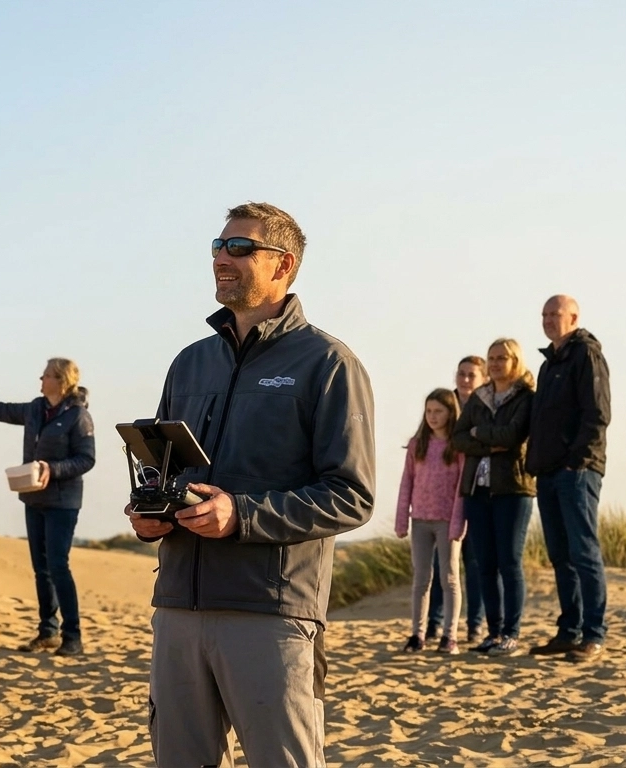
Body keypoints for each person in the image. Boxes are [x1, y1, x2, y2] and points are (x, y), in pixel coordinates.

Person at [127, 202, 375, 767]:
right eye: (218, 246)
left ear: (283, 264)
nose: (222, 257)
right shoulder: (188, 363)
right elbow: (163, 472)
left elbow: (351, 494)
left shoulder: (328, 363)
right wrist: (149, 513)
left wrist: (241, 515)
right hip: (178, 609)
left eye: (239, 248)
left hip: (271, 613)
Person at [0, 358, 96, 657]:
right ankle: (47, 632)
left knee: (58, 566)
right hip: (33, 498)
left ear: (61, 381)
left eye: (47, 374)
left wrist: (54, 468)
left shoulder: (78, 417)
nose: (41, 378)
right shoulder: (36, 409)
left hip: (63, 503)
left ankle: (72, 636)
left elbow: (86, 459)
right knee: (41, 569)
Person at [525, 295, 611, 663]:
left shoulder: (586, 354)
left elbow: (597, 413)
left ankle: (593, 634)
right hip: (548, 472)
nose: (547, 319)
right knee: (561, 556)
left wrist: (577, 462)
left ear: (573, 317)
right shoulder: (549, 364)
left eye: (554, 314)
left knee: (584, 553)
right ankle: (569, 631)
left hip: (577, 471)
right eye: (544, 314)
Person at [451, 338, 535, 657]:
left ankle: (511, 634)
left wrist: (479, 433)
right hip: (477, 488)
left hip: (513, 488)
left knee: (509, 562)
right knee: (485, 563)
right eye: (492, 358)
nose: (496, 363)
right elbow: (459, 438)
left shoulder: (526, 396)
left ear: (515, 360)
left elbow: (513, 436)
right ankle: (494, 632)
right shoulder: (479, 398)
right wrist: (487, 442)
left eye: (502, 357)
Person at [394, 388, 466, 654]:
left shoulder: (458, 446)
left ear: (450, 413)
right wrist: (403, 518)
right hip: (421, 520)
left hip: (447, 520)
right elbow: (407, 483)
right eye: (429, 411)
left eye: (439, 411)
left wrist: (458, 523)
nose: (433, 417)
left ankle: (450, 636)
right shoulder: (417, 444)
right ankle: (417, 634)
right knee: (421, 578)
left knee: (449, 578)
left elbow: (461, 488)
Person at [425, 356, 490, 645]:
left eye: (471, 375)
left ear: (483, 379)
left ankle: (475, 624)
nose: (465, 380)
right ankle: (434, 624)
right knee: (442, 567)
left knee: (474, 563)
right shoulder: (445, 405)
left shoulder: (487, 406)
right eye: (461, 374)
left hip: (476, 492)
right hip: (443, 501)